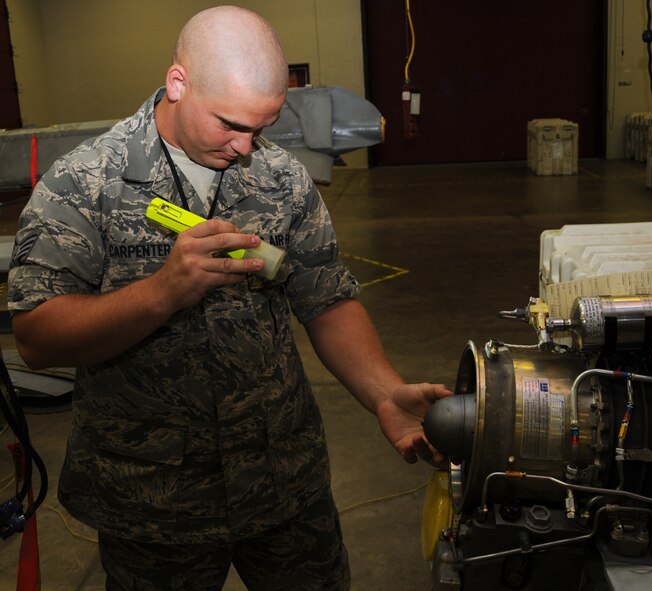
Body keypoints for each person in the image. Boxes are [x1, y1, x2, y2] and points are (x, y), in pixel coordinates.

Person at [7, 6, 452, 590]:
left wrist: (384, 392)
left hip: (283, 481)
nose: (245, 148)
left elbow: (326, 298)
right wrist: (162, 292)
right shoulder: (84, 183)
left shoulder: (281, 178)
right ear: (178, 83)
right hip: (154, 503)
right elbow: (37, 338)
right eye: (229, 125)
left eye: (260, 129)